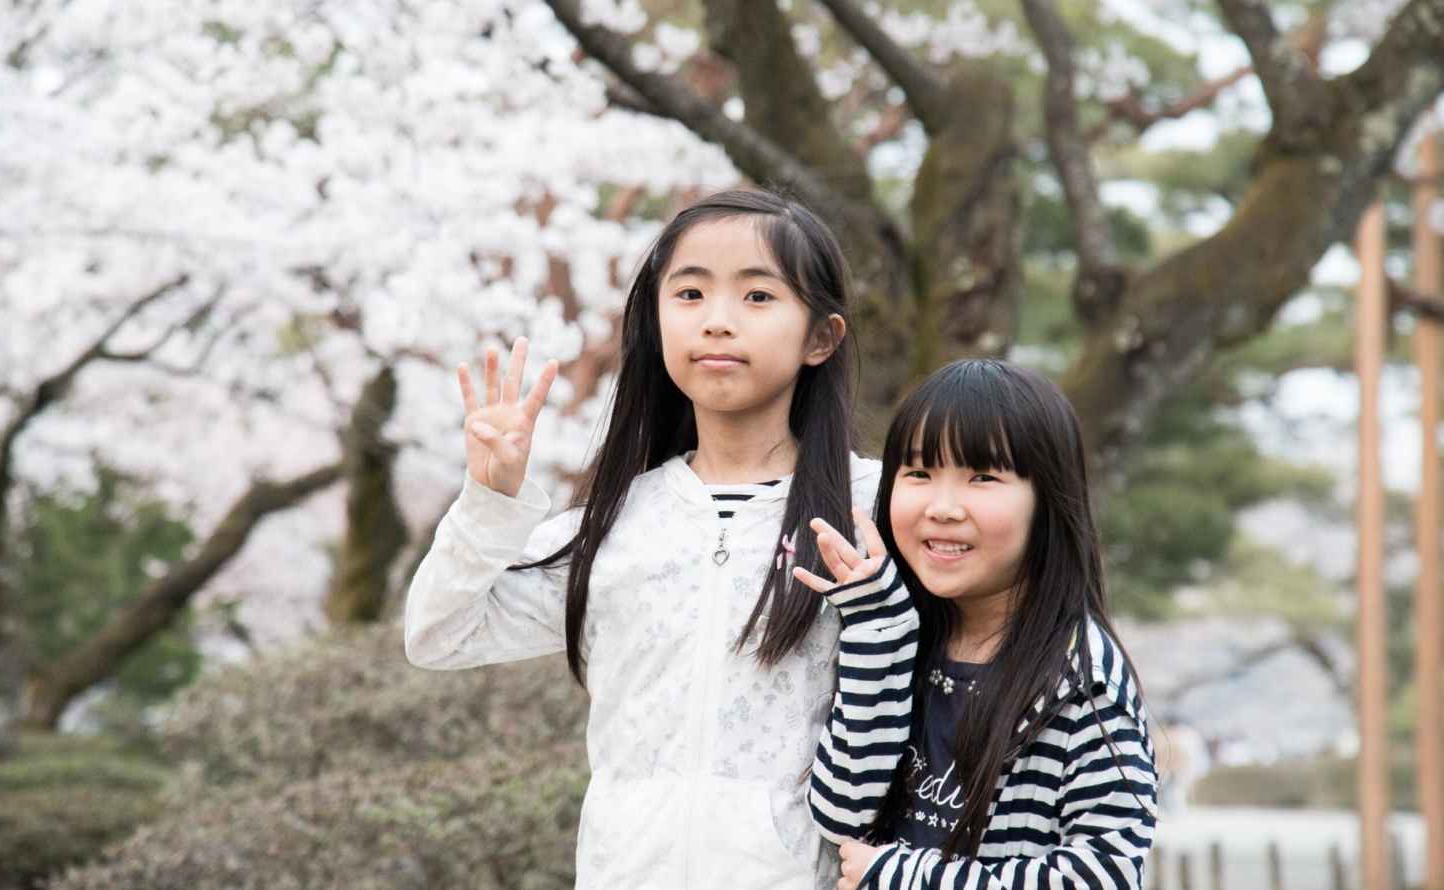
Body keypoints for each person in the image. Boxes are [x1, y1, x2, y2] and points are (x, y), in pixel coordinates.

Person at [404, 189, 880, 888]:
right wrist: (491, 500)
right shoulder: (615, 524)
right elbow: (439, 634)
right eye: (689, 294)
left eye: (756, 297)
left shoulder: (876, 510)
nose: (717, 322)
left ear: (820, 337)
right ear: (657, 325)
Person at [795, 359, 1158, 889]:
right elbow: (842, 816)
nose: (943, 507)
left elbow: (1103, 875)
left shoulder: (1082, 677)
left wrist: (904, 878)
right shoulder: (899, 634)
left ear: (1049, 501)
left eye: (982, 477)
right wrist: (880, 629)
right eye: (918, 473)